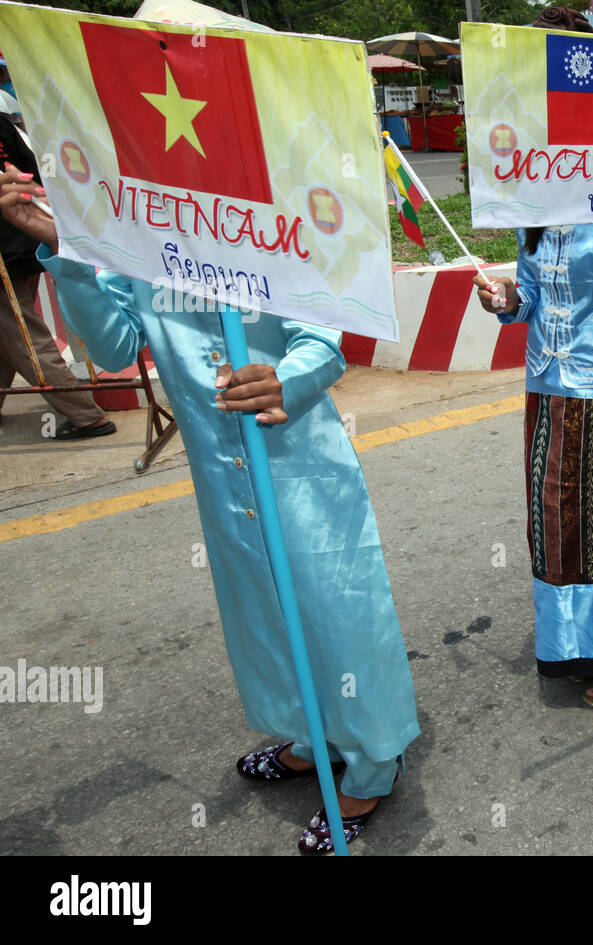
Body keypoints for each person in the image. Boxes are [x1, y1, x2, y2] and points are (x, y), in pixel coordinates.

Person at [0, 167, 418, 855]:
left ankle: (374, 763)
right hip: (222, 479)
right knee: (264, 612)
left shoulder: (267, 200)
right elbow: (111, 346)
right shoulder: (130, 215)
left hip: (300, 462)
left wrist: (289, 374)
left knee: (336, 611)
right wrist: (73, 251)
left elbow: (325, 335)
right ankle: (316, 738)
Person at [468, 0, 593, 710]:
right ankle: (569, 644)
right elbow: (527, 295)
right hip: (544, 386)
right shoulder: (532, 186)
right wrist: (503, 302)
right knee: (552, 518)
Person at [0, 118, 114, 439]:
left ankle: (86, 415)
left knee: (24, 336)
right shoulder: (2, 124)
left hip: (13, 243)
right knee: (10, 332)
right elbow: (34, 171)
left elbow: (32, 175)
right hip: (25, 236)